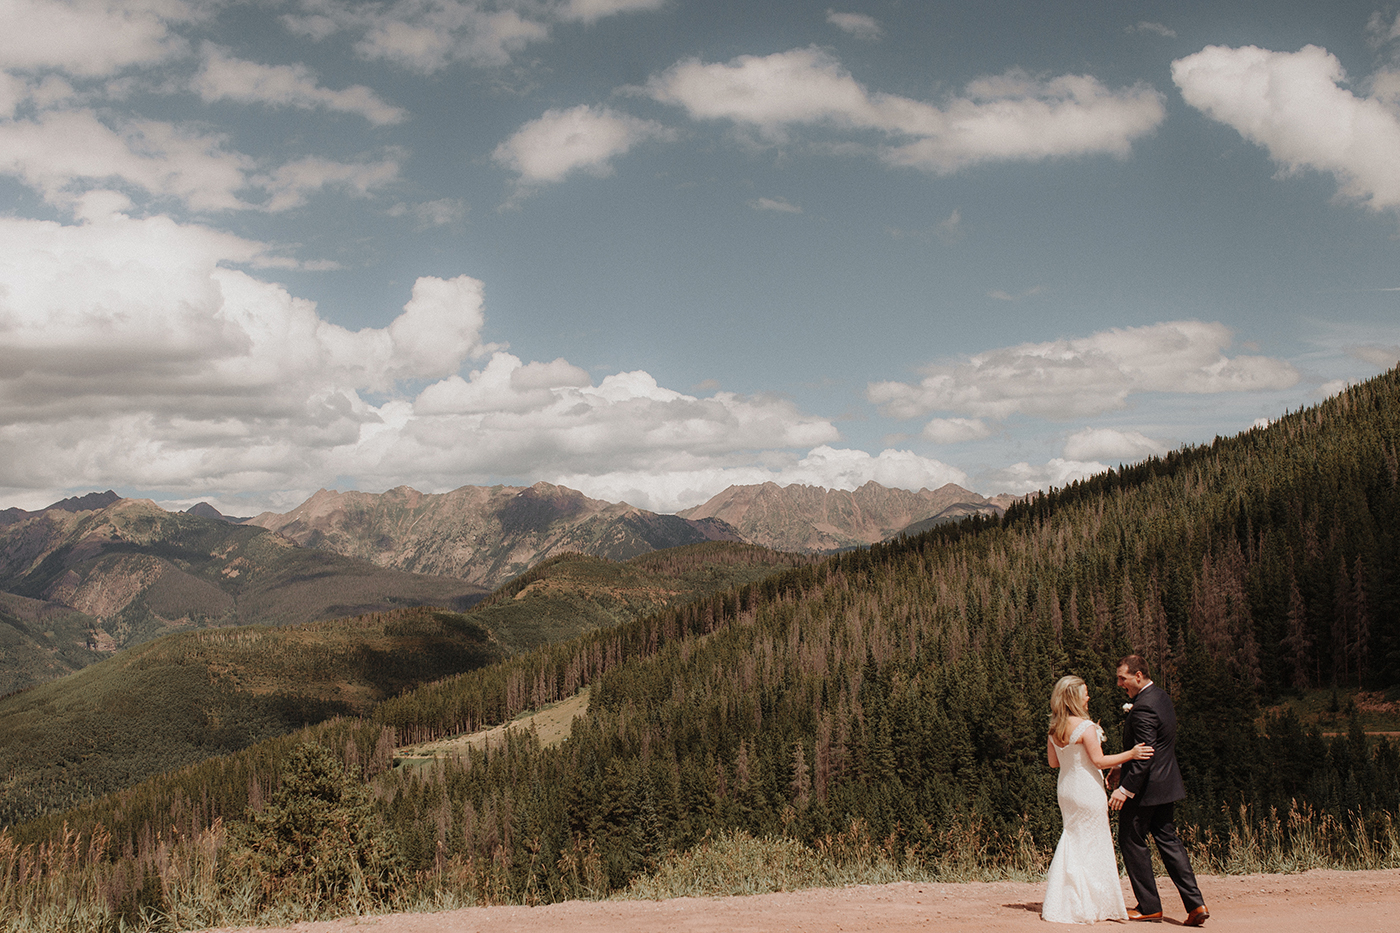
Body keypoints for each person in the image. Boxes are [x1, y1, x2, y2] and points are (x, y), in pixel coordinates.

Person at [1042, 674, 1155, 924]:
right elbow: (1100, 761)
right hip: (1086, 789)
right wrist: (1132, 754)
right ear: (1074, 698)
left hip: (1066, 790)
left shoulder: (1054, 728)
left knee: (1072, 838)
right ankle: (1093, 902)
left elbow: (1053, 763)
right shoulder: (1085, 727)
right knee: (1095, 842)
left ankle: (1066, 900)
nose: (1088, 696)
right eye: (1085, 693)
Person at [1108, 655, 1209, 926]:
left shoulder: (1142, 708)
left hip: (1144, 790)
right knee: (1169, 842)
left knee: (1131, 841)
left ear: (1138, 676)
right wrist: (1120, 766)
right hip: (1167, 785)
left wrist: (1125, 789)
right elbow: (1154, 747)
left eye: (1123, 678)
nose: (1120, 683)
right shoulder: (1160, 697)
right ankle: (1196, 904)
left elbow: (1146, 754)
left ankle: (1150, 907)